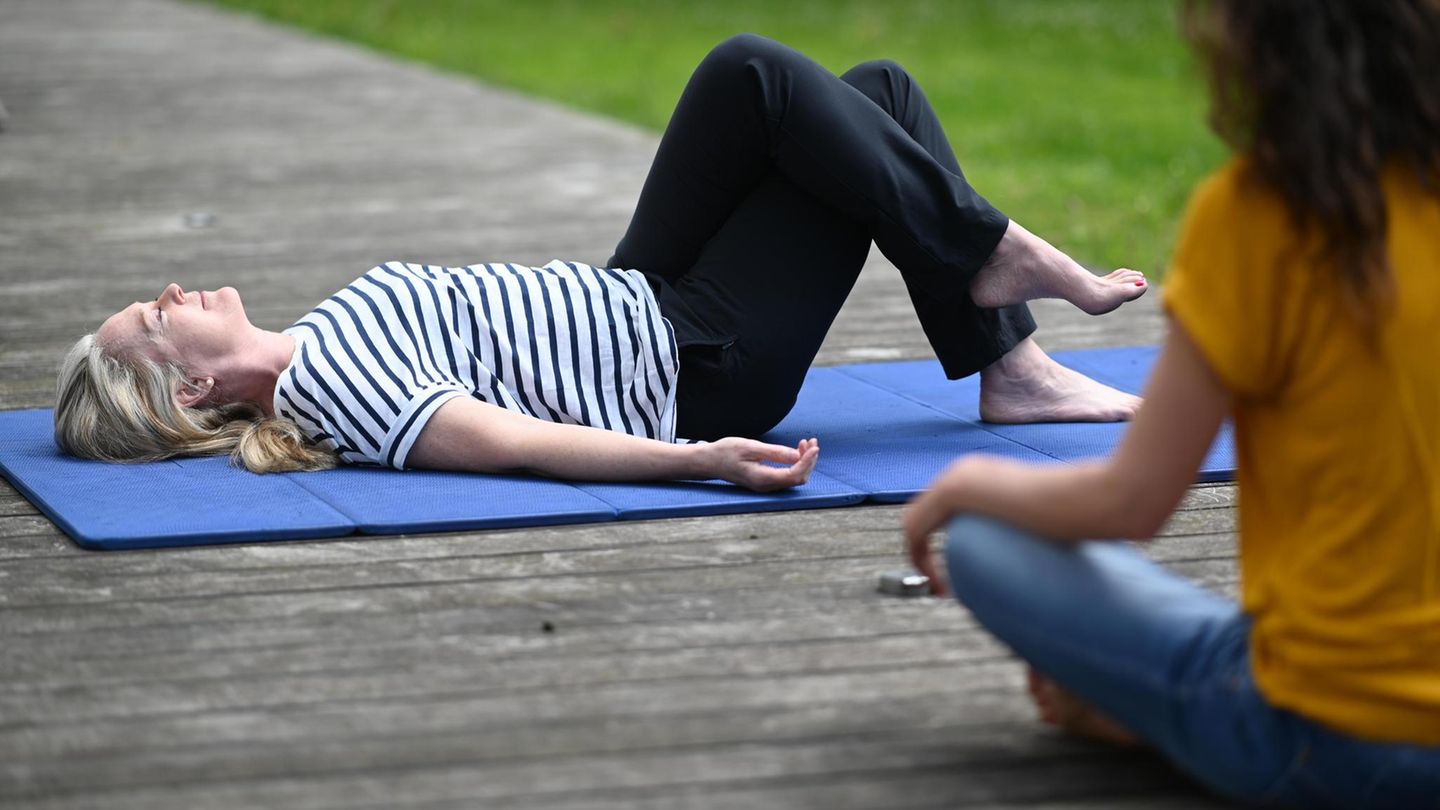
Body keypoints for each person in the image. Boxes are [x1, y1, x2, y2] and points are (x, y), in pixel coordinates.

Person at [55, 34, 1148, 492]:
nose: (165, 295)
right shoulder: (330, 387)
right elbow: (517, 444)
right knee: (789, 81)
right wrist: (701, 462)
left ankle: (1008, 363)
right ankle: (993, 263)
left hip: (636, 293)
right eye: (151, 323)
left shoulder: (316, 334)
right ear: (194, 388)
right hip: (692, 361)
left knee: (857, 96)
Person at [903, 1, 1440, 806]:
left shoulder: (1260, 215)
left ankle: (1148, 716)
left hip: (1324, 739)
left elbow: (1132, 501)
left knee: (984, 539)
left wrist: (961, 485)